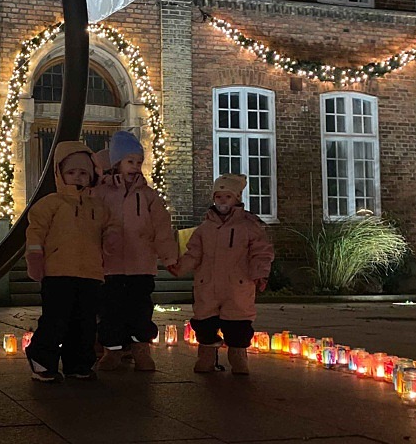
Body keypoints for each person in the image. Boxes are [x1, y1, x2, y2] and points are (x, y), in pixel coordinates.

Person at [25, 141, 119, 382]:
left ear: (91, 176)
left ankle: (78, 363)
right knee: (56, 319)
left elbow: (110, 227)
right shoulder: (50, 204)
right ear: (61, 174)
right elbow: (36, 231)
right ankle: (41, 358)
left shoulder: (98, 207)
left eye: (83, 172)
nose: (77, 177)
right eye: (71, 172)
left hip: (90, 273)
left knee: (84, 322)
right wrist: (35, 257)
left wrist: (111, 237)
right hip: (58, 272)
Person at [170, 174, 274, 375]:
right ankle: (206, 357)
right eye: (219, 197)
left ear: (236, 198)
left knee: (237, 325)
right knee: (204, 323)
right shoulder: (205, 228)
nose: (222, 201)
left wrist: (260, 274)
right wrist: (181, 266)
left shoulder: (248, 226)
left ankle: (238, 357)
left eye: (227, 197)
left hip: (237, 285)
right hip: (208, 285)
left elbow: (261, 252)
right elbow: (194, 252)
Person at [92, 130, 177, 372]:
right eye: (130, 162)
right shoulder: (101, 194)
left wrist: (169, 256)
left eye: (139, 162)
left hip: (141, 265)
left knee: (140, 309)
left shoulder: (149, 196)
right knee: (111, 311)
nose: (135, 167)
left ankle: (141, 349)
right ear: (117, 163)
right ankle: (112, 350)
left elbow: (162, 228)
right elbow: (93, 224)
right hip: (111, 265)